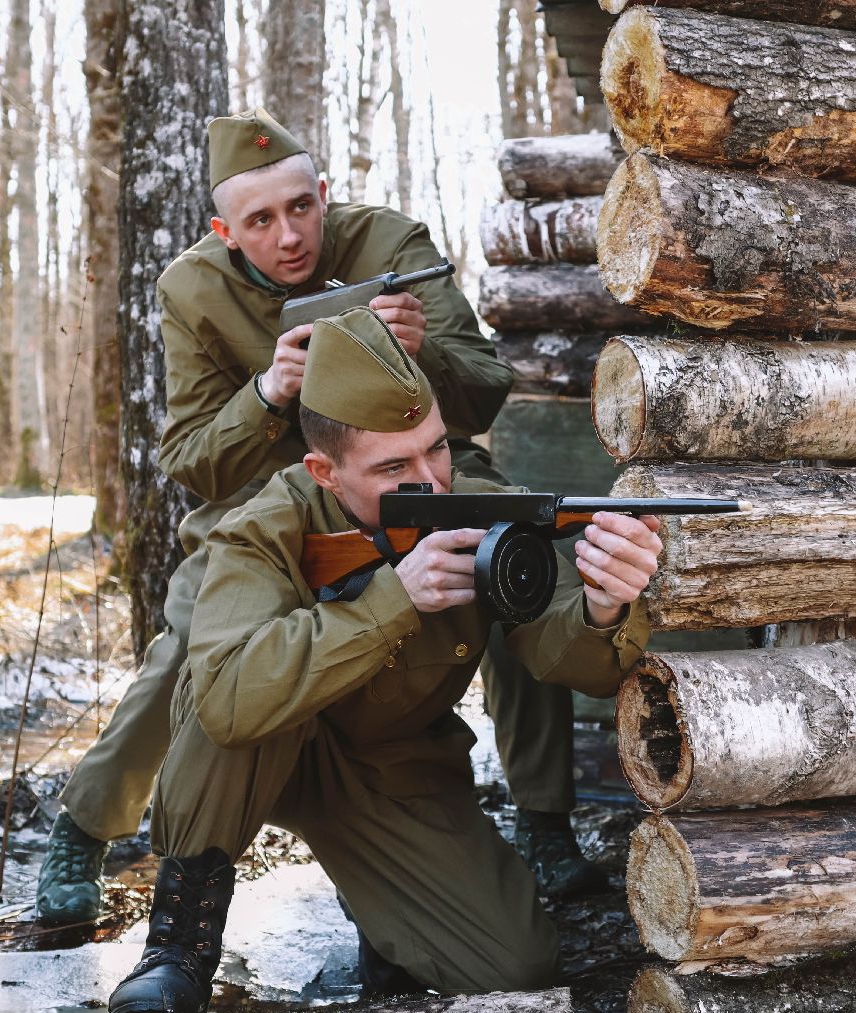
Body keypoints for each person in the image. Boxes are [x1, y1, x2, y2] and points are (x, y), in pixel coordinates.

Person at [36, 107, 604, 926]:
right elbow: (193, 461)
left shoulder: (391, 245)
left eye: (301, 208)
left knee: (514, 554)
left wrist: (424, 353)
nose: (289, 235)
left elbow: (483, 392)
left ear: (324, 195)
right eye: (260, 221)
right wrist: (268, 394)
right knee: (196, 637)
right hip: (280, 494)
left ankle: (546, 824)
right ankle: (84, 829)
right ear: (224, 230)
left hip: (411, 473)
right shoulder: (192, 290)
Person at [106, 307, 661, 1013]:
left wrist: (605, 605)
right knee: (227, 692)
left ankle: (383, 914)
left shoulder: (481, 510)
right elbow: (227, 701)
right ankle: (177, 948)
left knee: (517, 967)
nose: (431, 481)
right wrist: (391, 601)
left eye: (436, 449)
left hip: (391, 772)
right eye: (395, 468)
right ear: (323, 472)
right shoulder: (263, 528)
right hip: (260, 753)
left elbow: (568, 659)